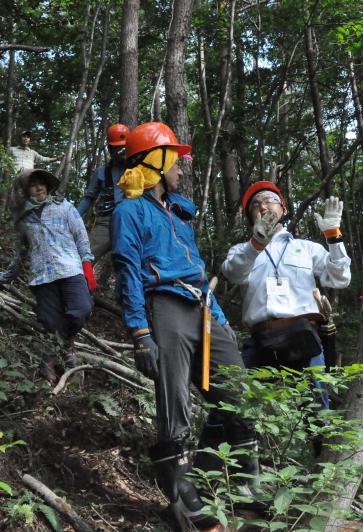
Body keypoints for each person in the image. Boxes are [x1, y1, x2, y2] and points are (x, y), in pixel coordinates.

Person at [111, 122, 257, 530]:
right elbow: (127, 271)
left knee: (239, 399)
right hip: (166, 307)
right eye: (174, 157)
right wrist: (139, 332)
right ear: (154, 161)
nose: (182, 166)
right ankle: (189, 512)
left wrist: (222, 323)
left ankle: (249, 502)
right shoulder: (130, 210)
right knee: (174, 411)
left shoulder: (180, 212)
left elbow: (198, 269)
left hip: (203, 308)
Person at [220, 181, 351, 398]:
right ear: (251, 216)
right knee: (243, 406)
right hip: (260, 340)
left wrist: (333, 235)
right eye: (255, 204)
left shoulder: (306, 248)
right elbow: (233, 273)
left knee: (315, 412)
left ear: (284, 209)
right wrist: (256, 244)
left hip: (303, 337)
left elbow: (341, 278)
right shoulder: (241, 251)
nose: (263, 206)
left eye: (269, 200)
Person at [0, 169, 96, 383]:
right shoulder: (23, 220)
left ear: (48, 186)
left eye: (42, 183)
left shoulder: (65, 208)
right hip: (42, 276)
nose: (39, 187)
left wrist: (87, 266)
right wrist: (6, 277)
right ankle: (66, 358)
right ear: (27, 191)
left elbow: (81, 237)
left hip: (70, 269)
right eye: (33, 185)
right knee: (50, 322)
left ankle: (53, 354)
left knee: (81, 310)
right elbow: (20, 254)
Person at [76, 124, 129, 264]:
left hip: (131, 221)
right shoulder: (101, 172)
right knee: (85, 258)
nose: (121, 151)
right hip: (107, 222)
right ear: (111, 149)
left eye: (123, 148)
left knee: (131, 262)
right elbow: (89, 197)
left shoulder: (138, 169)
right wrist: (73, 216)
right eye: (117, 148)